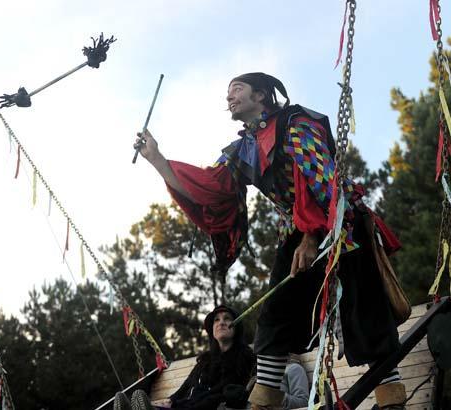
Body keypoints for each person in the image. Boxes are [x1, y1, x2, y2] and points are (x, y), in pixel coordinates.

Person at [136, 72, 407, 409]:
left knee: (364, 315)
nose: (229, 97)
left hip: (340, 223)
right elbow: (212, 186)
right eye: (227, 91)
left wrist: (311, 236)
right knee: (275, 317)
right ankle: (262, 403)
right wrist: (157, 159)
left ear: (261, 95)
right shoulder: (243, 148)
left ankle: (393, 400)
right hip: (296, 231)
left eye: (236, 89)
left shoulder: (296, 123)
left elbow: (324, 181)